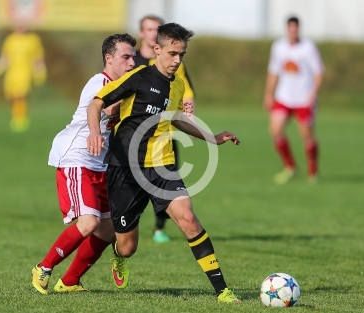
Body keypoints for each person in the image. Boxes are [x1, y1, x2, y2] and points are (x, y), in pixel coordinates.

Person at [87, 23, 241, 304]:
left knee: (189, 219)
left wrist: (212, 137)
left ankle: (223, 291)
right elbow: (96, 103)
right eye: (172, 53)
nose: (177, 60)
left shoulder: (178, 84)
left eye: (182, 54)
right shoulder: (137, 77)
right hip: (126, 169)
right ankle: (118, 254)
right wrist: (96, 132)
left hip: (163, 166)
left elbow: (176, 119)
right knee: (128, 246)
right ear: (157, 49)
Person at [31, 33, 137, 294]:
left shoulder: (126, 85)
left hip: (100, 164)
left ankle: (69, 282)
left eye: (133, 56)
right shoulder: (99, 82)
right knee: (88, 223)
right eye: (126, 57)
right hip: (76, 157)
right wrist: (141, 94)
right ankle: (43, 268)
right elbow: (109, 109)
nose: (132, 62)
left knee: (108, 229)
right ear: (109, 58)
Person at [135, 15, 196, 243]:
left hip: (164, 137)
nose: (152, 33)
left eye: (156, 29)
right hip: (132, 141)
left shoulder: (175, 62)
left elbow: (186, 92)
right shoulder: (132, 62)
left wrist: (188, 112)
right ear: (142, 33)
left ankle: (159, 227)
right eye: (149, 29)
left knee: (167, 183)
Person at [263, 16, 324, 184]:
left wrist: (313, 93)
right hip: (284, 97)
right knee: (275, 129)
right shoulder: (278, 47)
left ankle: (313, 170)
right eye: (290, 28)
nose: (293, 31)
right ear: (287, 29)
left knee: (306, 134)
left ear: (299, 29)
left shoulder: (308, 47)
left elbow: (319, 72)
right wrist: (268, 94)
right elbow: (273, 72)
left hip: (304, 98)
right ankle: (290, 166)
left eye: (295, 28)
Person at [0, 22, 47, 133]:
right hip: (12, 72)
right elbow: (5, 57)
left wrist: (40, 71)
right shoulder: (10, 40)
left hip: (25, 72)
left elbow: (38, 58)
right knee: (11, 96)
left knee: (19, 95)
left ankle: (20, 119)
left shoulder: (33, 40)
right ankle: (16, 115)